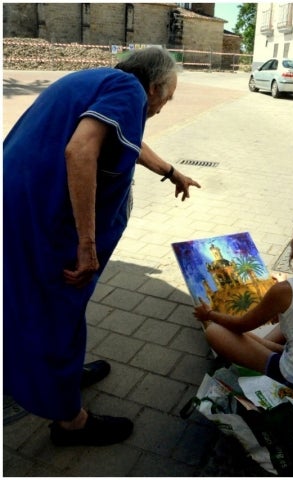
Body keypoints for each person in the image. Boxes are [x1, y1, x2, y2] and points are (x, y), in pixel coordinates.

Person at [3, 47, 201, 447]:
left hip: (19, 203)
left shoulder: (99, 79)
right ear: (154, 86)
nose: (163, 108)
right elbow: (80, 150)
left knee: (31, 302)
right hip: (44, 216)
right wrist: (86, 244)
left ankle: (58, 375)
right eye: (168, 97)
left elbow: (125, 141)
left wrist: (170, 171)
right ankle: (70, 422)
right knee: (61, 305)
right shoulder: (130, 91)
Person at [193, 214, 293, 411]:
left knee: (214, 331)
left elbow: (241, 325)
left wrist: (209, 315)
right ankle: (270, 347)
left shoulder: (286, 291)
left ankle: (267, 350)